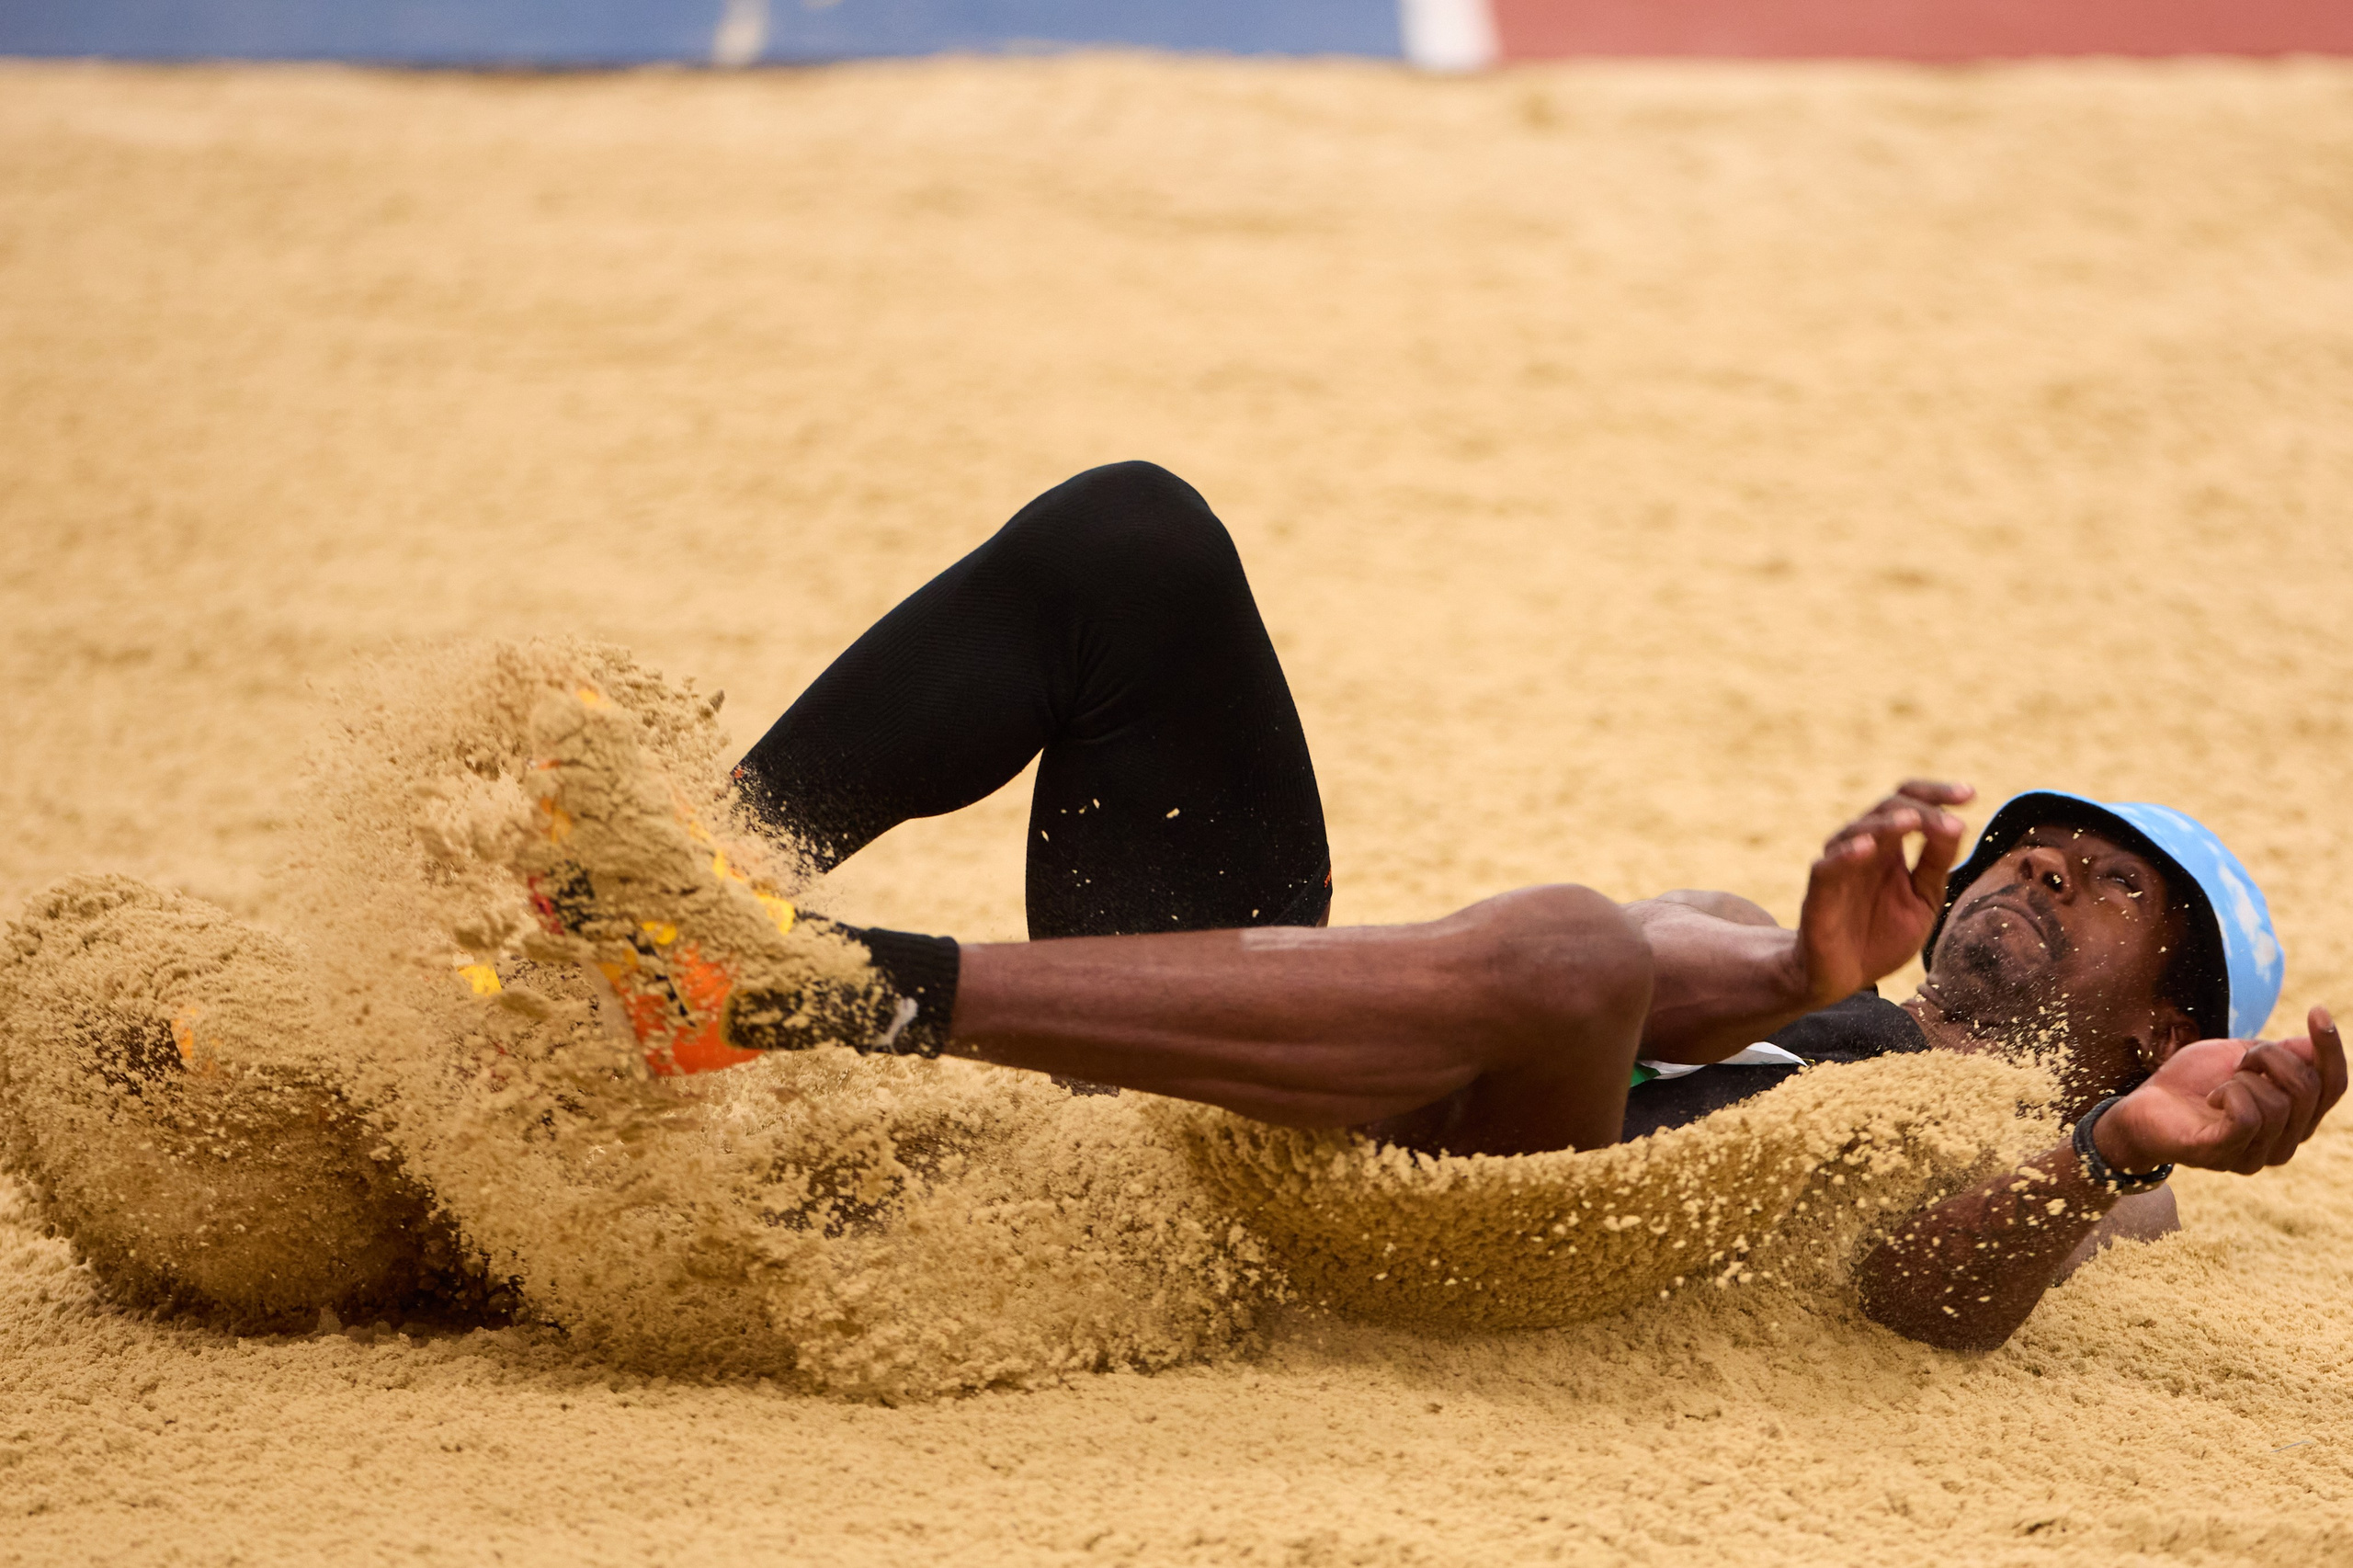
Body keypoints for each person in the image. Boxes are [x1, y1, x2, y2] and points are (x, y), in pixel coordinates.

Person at [692, 460, 2341, 1349]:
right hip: (1288, 1097)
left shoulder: (2078, 1175)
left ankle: (831, 983)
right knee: (1137, 536)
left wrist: (2117, 1146)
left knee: (1567, 952)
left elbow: (1928, 1296)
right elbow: (1630, 973)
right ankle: (671, 883)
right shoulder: (1761, 959)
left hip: (1469, 1241)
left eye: (2117, 882)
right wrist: (1786, 965)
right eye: (2034, 845)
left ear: (2161, 1030)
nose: (2045, 862)